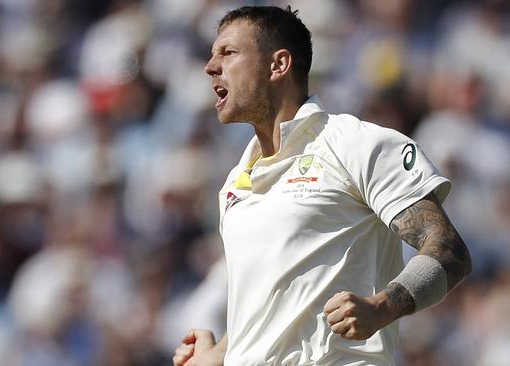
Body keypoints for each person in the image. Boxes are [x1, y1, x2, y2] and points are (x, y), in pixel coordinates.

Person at [173, 5, 471, 366]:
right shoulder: (235, 184)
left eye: (228, 53)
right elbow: (274, 316)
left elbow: (449, 251)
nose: (210, 66)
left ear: (278, 65)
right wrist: (218, 355)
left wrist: (381, 307)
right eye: (211, 54)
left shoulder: (356, 144)